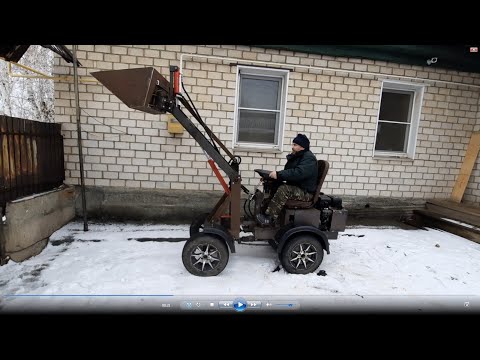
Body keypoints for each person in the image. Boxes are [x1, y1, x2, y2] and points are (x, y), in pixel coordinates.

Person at [256, 134, 318, 226]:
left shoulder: (309, 158)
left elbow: (298, 173)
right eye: (293, 144)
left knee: (284, 190)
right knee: (275, 184)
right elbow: (289, 172)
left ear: (302, 147)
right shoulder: (298, 156)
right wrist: (275, 177)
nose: (292, 147)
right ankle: (265, 211)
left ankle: (270, 218)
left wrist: (278, 174)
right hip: (298, 187)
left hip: (305, 192)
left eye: (295, 145)